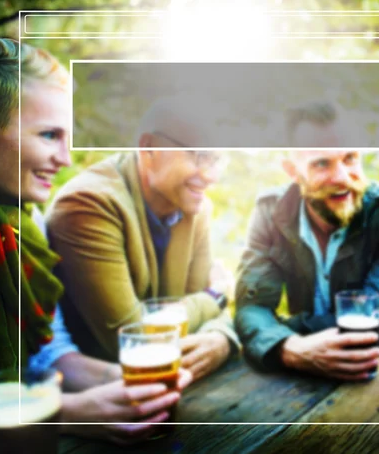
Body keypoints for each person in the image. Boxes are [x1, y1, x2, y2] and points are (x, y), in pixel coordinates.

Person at [0, 38, 191, 444]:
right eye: (48, 135)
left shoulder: (25, 223)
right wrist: (65, 414)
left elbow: (47, 352)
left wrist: (127, 380)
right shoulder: (87, 205)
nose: (66, 159)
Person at [46, 94, 240, 382]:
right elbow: (129, 338)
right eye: (199, 156)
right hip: (104, 398)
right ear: (148, 147)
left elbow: (209, 319)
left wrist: (221, 337)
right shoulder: (87, 204)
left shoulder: (195, 207)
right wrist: (216, 296)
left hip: (176, 384)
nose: (211, 176)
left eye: (216, 160)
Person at [234, 101, 379, 380]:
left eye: (350, 158)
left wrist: (276, 333)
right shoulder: (270, 211)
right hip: (297, 375)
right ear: (293, 172)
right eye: (322, 164)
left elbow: (375, 323)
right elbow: (252, 306)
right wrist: (289, 349)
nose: (342, 178)